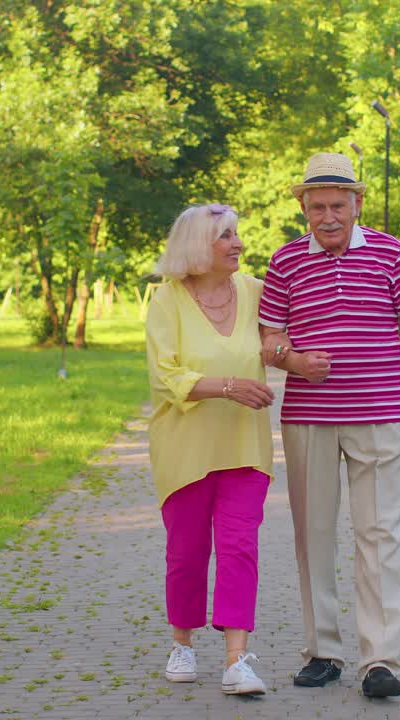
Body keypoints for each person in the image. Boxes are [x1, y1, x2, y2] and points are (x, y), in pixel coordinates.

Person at [258, 153, 400, 699]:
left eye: (339, 204)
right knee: (312, 535)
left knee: (381, 534)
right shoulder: (285, 261)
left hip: (380, 417)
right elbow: (269, 340)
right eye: (318, 206)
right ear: (303, 208)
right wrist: (294, 362)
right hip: (309, 420)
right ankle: (322, 650)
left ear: (357, 204)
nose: (328, 216)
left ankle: (379, 659)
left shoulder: (389, 251)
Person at [145, 203, 276, 696]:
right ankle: (182, 643)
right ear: (199, 246)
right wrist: (227, 387)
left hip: (245, 445)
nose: (238, 243)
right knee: (187, 552)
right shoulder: (166, 300)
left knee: (241, 548)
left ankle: (236, 659)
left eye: (236, 234)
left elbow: (282, 339)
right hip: (185, 449)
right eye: (226, 236)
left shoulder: (256, 292)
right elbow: (167, 375)